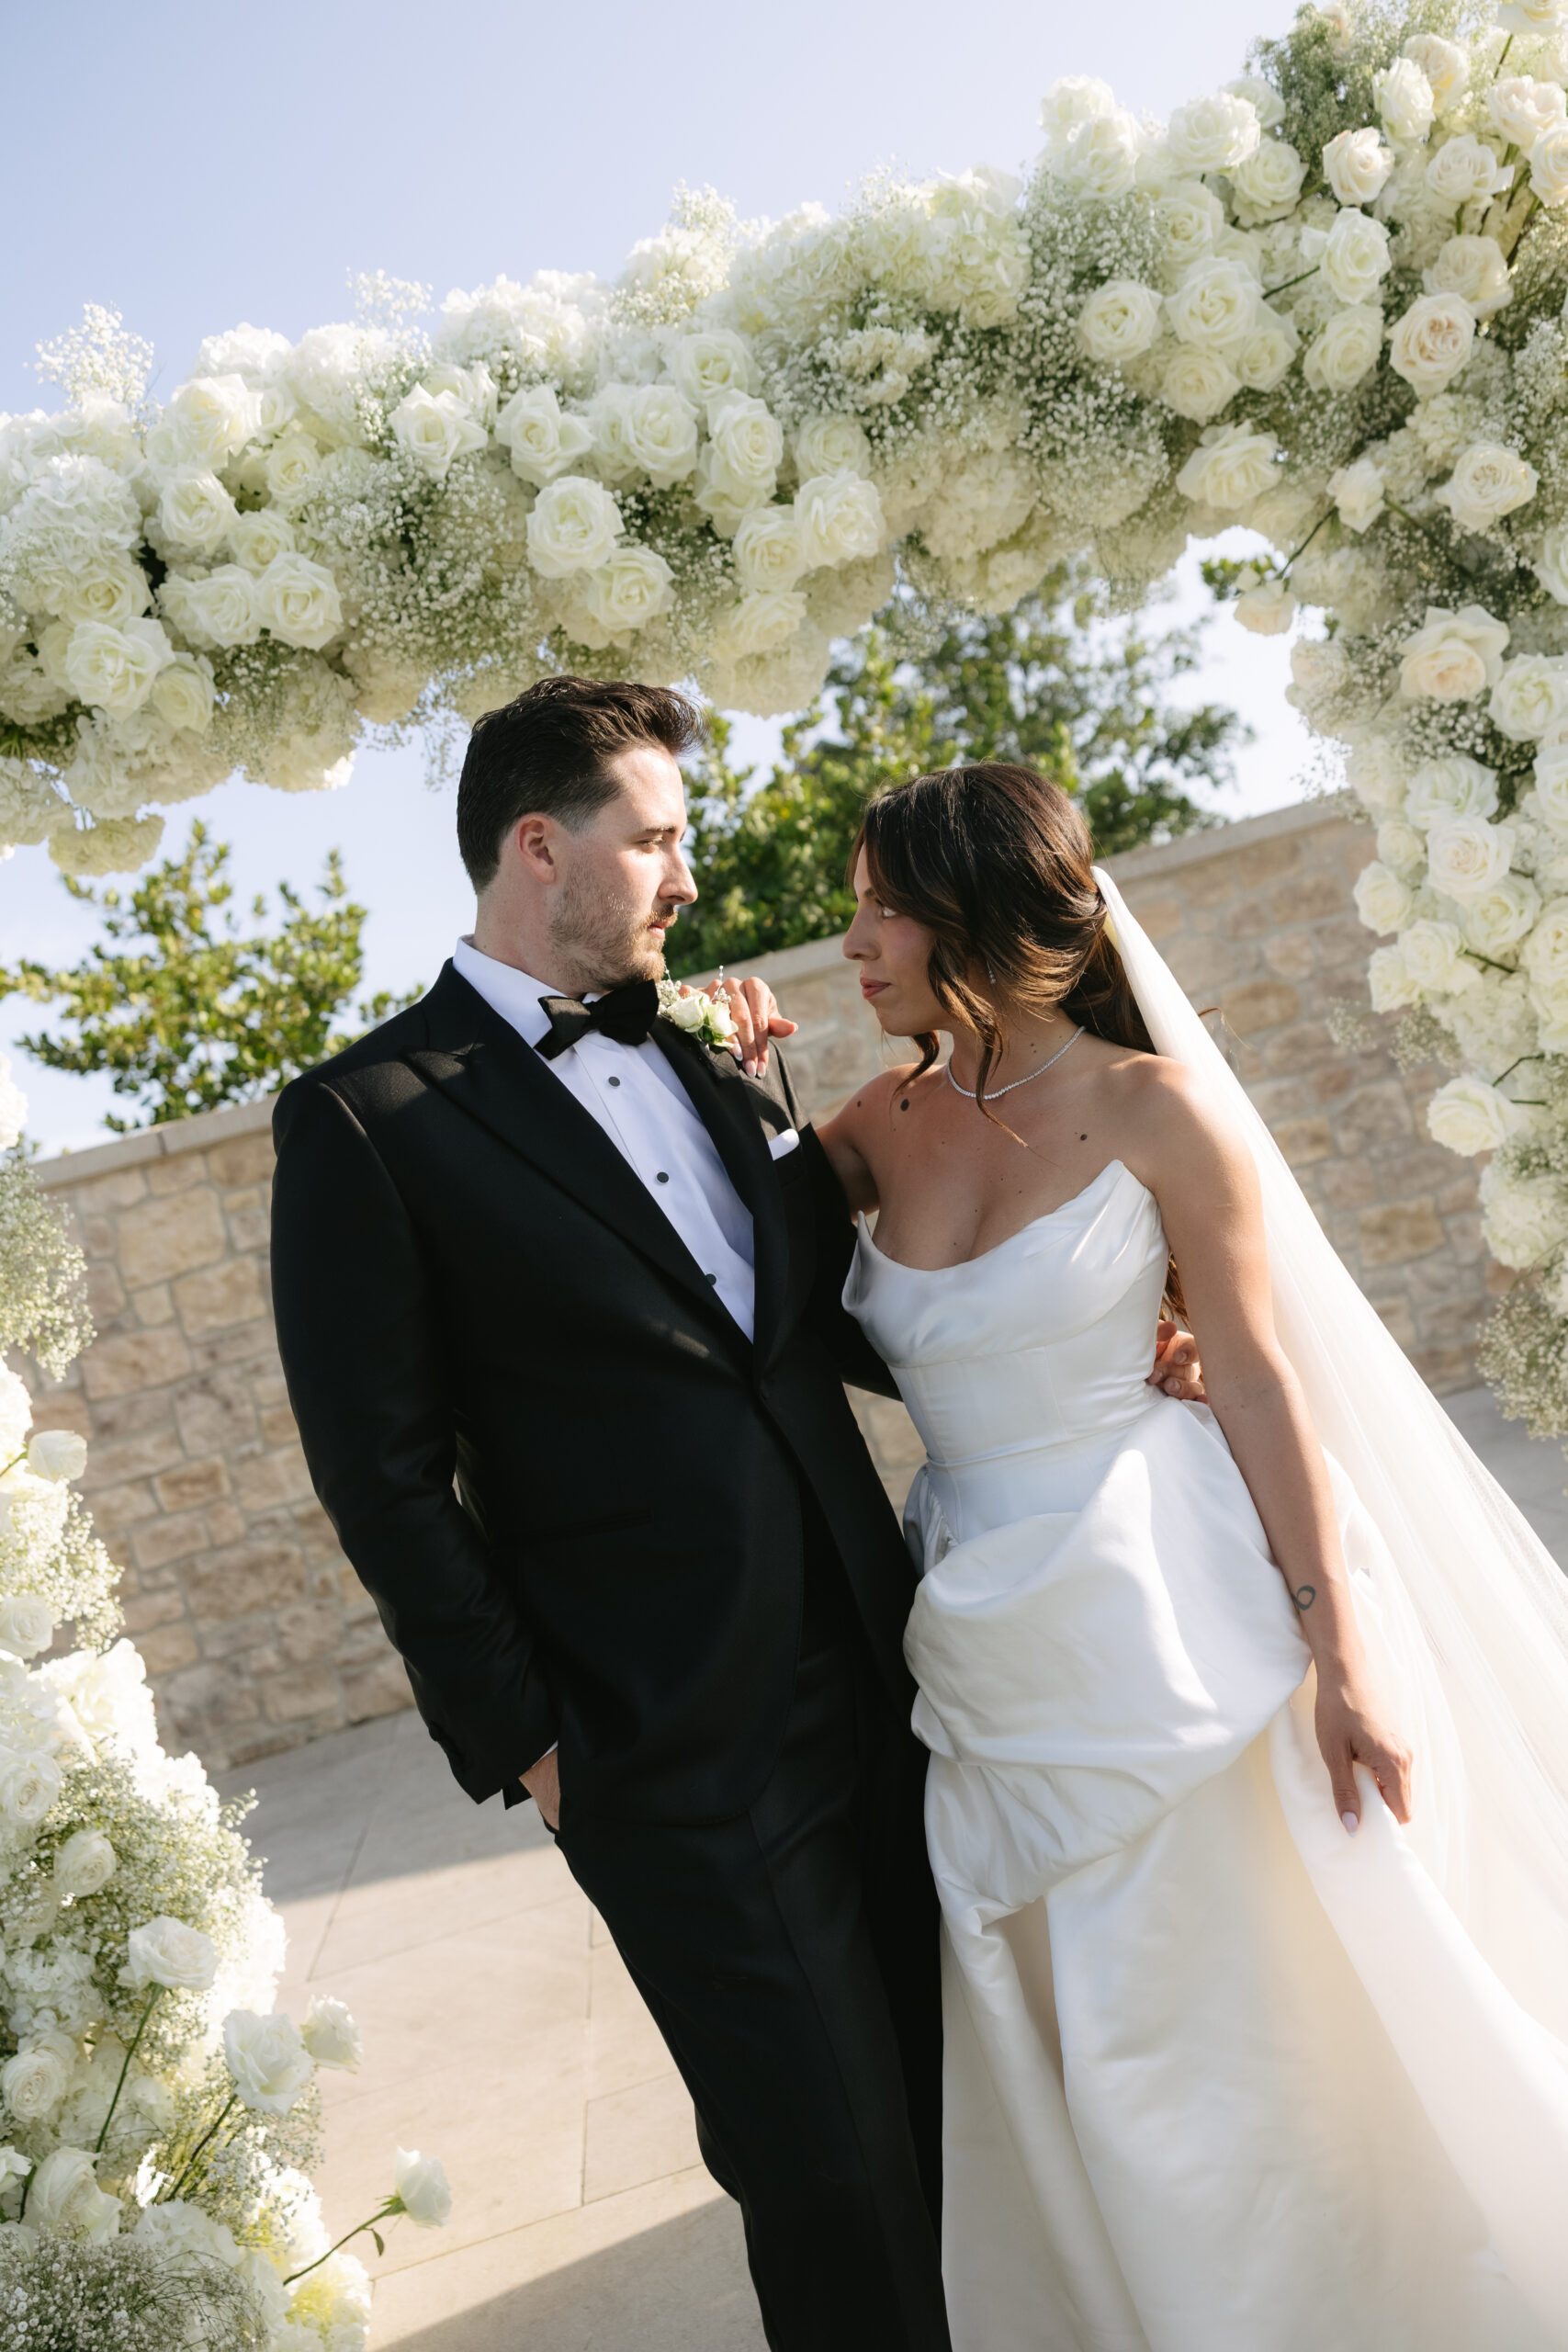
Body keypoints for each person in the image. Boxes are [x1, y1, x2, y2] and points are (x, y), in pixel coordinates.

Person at [268, 680, 1201, 2352]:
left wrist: (1126, 1332)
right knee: (829, 2174)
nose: (688, 877)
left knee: (958, 2120)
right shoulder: (364, 1119)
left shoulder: (711, 1061)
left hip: (897, 1681)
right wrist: (536, 1747)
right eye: (660, 839)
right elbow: (383, 1477)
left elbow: (839, 1322)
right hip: (670, 1753)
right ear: (541, 847)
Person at [818, 761, 1568, 2352]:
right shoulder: (867, 1129)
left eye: (882, 903)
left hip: (1173, 1610)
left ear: (972, 912)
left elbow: (1259, 1373)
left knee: (1254, 2038)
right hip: (984, 1640)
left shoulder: (1159, 1111)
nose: (853, 940)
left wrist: (1344, 1654)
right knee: (1090, 2047)